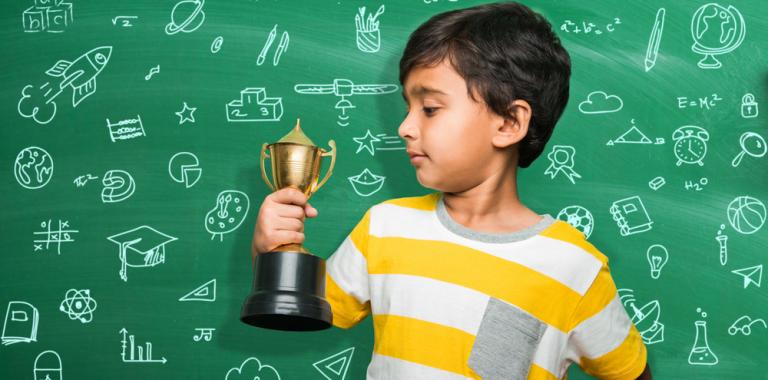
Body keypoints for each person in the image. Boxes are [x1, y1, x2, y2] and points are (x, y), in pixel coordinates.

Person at [252, 2, 651, 379]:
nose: (405, 127)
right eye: (407, 107)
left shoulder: (574, 266)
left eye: (429, 108)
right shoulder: (385, 227)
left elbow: (631, 372)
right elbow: (302, 310)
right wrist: (270, 250)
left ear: (509, 123)